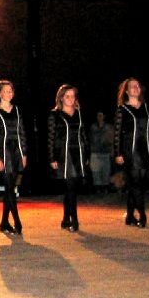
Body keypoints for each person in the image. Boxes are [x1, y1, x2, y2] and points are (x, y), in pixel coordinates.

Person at [114, 78, 149, 228]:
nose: (136, 88)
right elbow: (117, 133)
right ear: (126, 91)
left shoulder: (146, 107)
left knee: (137, 185)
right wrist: (118, 153)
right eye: (132, 86)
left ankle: (130, 216)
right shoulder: (122, 109)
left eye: (137, 85)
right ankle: (142, 216)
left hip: (145, 151)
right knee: (136, 184)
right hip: (130, 151)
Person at [0, 80, 27, 235]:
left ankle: (4, 222)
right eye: (6, 91)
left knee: (10, 188)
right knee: (9, 187)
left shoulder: (16, 110)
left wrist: (24, 153)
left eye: (11, 91)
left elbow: (22, 133)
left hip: (16, 151)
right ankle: (17, 221)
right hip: (4, 152)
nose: (9, 93)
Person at [48, 84, 88, 232]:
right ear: (61, 98)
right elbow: (51, 138)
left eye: (73, 96)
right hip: (64, 154)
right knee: (70, 187)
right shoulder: (55, 115)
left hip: (78, 153)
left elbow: (84, 135)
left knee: (71, 188)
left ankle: (66, 218)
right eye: (67, 96)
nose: (70, 99)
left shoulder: (79, 114)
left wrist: (87, 154)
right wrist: (52, 158)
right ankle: (74, 220)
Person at [89, 111, 114, 193]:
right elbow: (90, 140)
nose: (99, 117)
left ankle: (105, 190)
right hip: (95, 153)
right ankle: (98, 191)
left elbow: (112, 140)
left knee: (106, 172)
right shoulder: (93, 127)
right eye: (98, 115)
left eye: (101, 115)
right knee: (96, 173)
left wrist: (112, 152)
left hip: (106, 153)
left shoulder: (109, 127)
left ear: (104, 116)